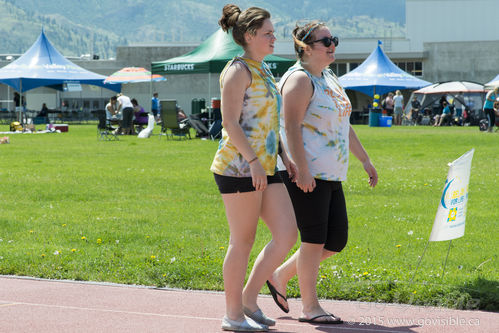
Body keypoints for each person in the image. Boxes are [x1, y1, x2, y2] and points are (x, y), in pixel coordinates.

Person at [268, 21, 378, 325]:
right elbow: (289, 127)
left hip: (331, 172)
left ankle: (280, 275)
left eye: (334, 39)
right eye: (324, 41)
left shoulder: (329, 77)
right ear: (305, 47)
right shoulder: (299, 80)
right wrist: (301, 170)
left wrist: (365, 160)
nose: (332, 45)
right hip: (306, 172)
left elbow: (345, 125)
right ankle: (311, 307)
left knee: (335, 241)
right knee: (314, 239)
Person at [210, 4, 298, 332]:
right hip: (237, 168)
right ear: (249, 36)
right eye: (268, 34)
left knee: (287, 233)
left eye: (274, 33)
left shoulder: (263, 68)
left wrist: (285, 157)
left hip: (267, 166)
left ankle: (249, 299)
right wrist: (253, 162)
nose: (274, 38)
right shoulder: (237, 71)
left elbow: (270, 123)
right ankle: (233, 315)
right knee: (242, 240)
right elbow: (230, 123)